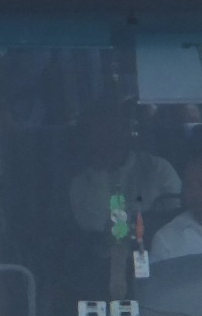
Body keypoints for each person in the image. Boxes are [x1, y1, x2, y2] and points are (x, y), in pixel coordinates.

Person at [68, 101, 182, 237]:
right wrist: (101, 173)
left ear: (128, 131)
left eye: (114, 129)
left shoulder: (157, 168)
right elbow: (99, 227)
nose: (109, 139)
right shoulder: (81, 184)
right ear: (89, 138)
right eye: (100, 132)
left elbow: (177, 215)